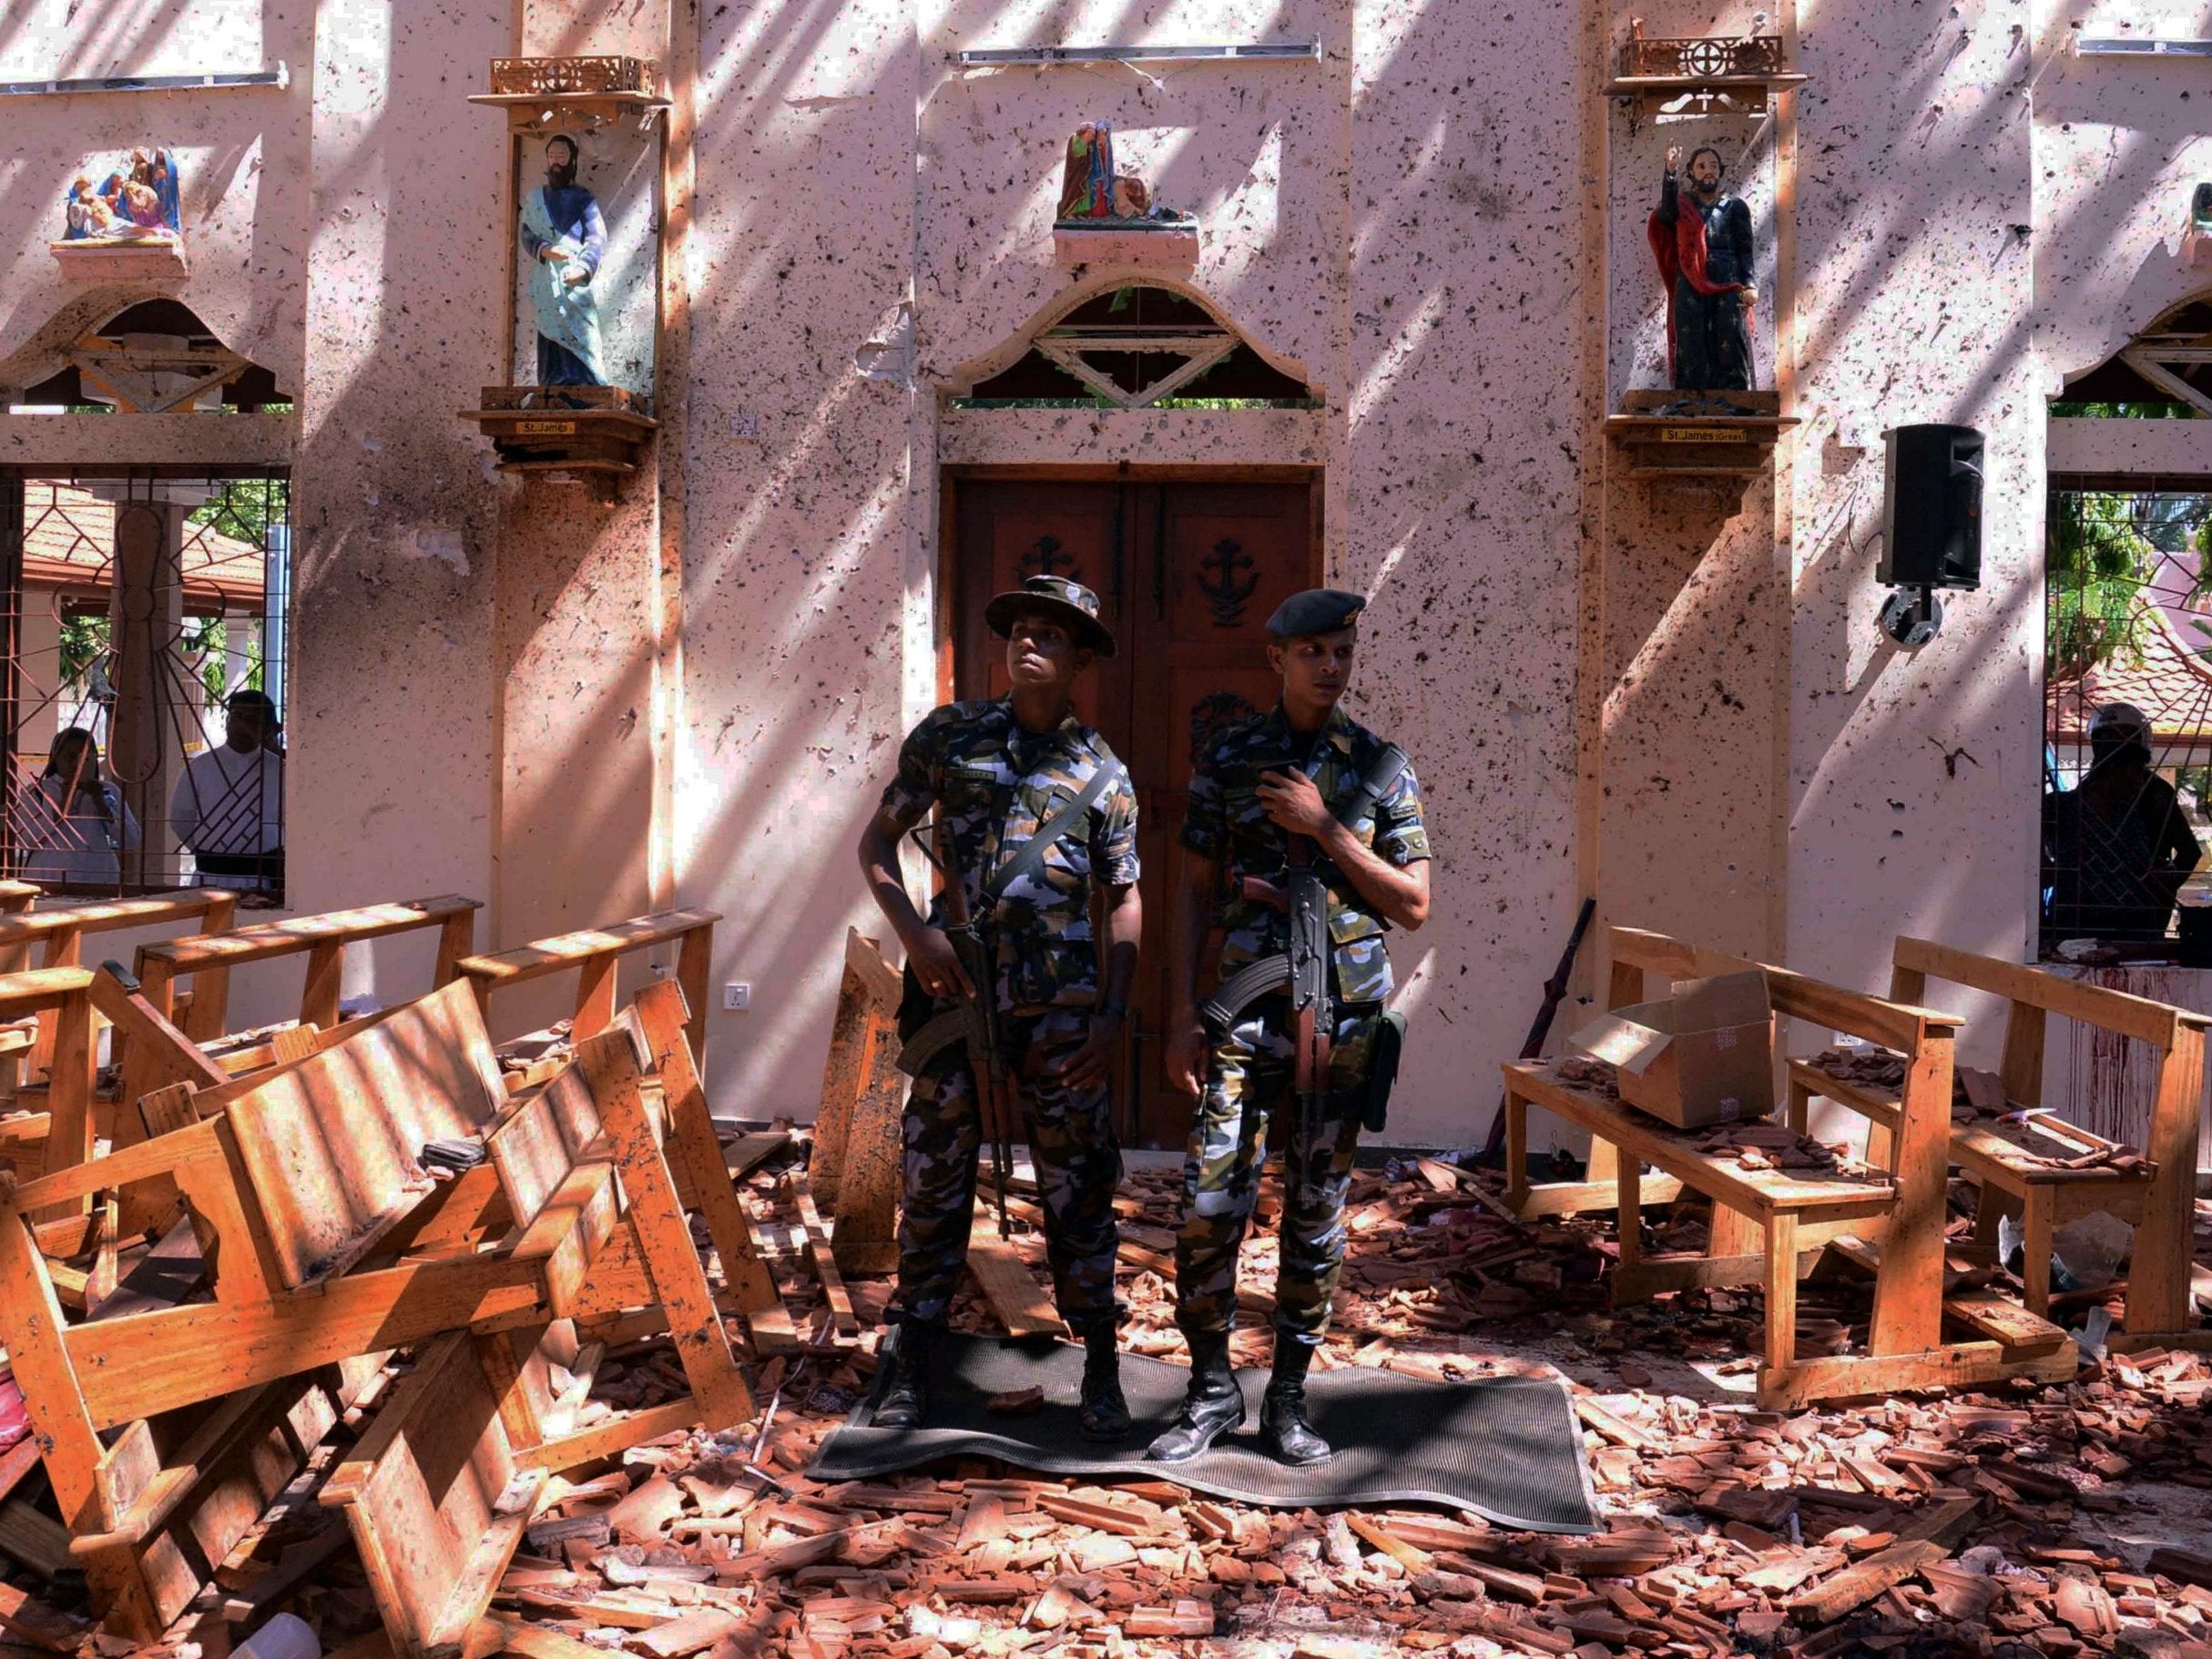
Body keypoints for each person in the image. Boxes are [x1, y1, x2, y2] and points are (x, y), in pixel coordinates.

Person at [855, 575, 1142, 1439]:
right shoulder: (949, 737)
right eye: (1020, 630)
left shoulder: (1103, 774)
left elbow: (1123, 898)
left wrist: (1114, 1016)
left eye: (1052, 636)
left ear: (1081, 658)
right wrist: (915, 935)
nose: (1030, 644)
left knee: (1079, 1188)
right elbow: (875, 843)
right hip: (954, 992)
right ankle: (912, 1355)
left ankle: (1098, 1361)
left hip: (1061, 1016)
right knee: (933, 1179)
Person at [1152, 588, 1431, 1467]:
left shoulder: (1382, 768)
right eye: (1310, 650)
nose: (1328, 665)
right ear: (1275, 659)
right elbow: (1192, 890)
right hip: (1240, 1014)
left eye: (1340, 649)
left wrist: (1327, 829)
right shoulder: (1231, 756)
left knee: (1315, 1218)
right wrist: (1175, 1017)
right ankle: (1206, 1390)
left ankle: (1287, 1399)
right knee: (1206, 1208)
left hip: (1339, 1025)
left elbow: (1414, 904)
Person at [2044, 702, 2201, 946]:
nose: (2115, 744)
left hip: (2137, 924)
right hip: (2075, 924)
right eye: (2107, 738)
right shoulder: (2064, 805)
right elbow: (2029, 858)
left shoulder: (2154, 794)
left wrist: (2162, 885)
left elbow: (2189, 852)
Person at [1648, 145, 1758, 393]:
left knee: (1730, 335)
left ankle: (1734, 395)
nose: (1708, 171)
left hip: (1728, 281)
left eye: (1713, 166)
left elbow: (1745, 249)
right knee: (1690, 336)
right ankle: (1690, 396)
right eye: (1701, 166)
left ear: (1720, 171)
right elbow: (1665, 213)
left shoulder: (1735, 207)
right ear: (1691, 172)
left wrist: (1750, 283)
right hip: (1691, 278)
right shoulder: (1681, 206)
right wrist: (1670, 172)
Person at [171, 689, 283, 901]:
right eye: (237, 716)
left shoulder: (280, 770)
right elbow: (181, 820)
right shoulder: (199, 767)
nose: (242, 725)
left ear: (267, 729)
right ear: (227, 719)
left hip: (261, 879)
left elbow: (289, 821)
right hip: (210, 875)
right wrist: (210, 847)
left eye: (252, 719)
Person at [519, 135, 607, 389]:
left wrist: (583, 268)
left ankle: (585, 380)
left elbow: (596, 237)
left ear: (573, 161)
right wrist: (545, 250)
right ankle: (552, 381)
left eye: (562, 157)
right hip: (546, 277)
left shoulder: (583, 198)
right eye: (552, 157)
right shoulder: (536, 198)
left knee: (582, 328)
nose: (556, 163)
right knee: (549, 327)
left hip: (572, 276)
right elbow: (526, 233)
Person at [18, 728, 139, 889]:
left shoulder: (108, 791)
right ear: (56, 759)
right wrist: (61, 805)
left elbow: (131, 840)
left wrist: (102, 805)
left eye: (83, 757)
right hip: (48, 878)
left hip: (98, 879)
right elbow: (25, 839)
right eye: (69, 757)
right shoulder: (37, 792)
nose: (76, 763)